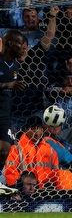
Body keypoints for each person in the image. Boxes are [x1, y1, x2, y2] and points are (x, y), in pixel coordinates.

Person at [36, 105, 72, 189]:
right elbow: (67, 159)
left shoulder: (60, 141)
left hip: (66, 186)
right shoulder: (46, 141)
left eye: (59, 125)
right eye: (54, 125)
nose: (57, 128)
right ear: (45, 126)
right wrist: (71, 153)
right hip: (56, 187)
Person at [0, 29, 27, 168]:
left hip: (4, 114)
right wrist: (7, 85)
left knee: (5, 150)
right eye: (20, 43)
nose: (23, 48)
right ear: (10, 43)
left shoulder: (16, 65)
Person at [4, 116, 43, 187]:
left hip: (44, 190)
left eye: (39, 128)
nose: (36, 131)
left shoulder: (48, 148)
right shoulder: (16, 148)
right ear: (26, 130)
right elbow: (10, 172)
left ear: (42, 130)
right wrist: (16, 189)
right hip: (23, 190)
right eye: (33, 128)